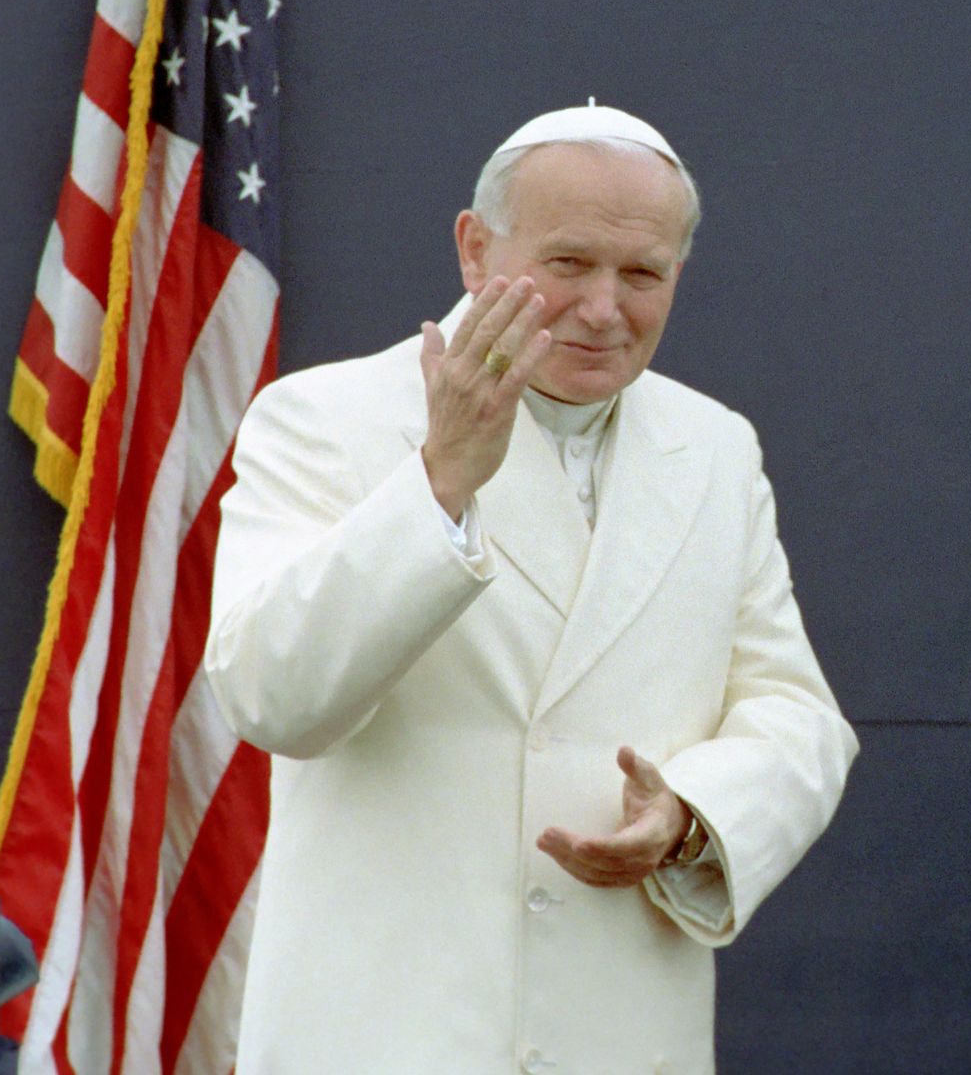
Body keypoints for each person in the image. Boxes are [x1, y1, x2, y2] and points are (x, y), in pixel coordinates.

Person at [204, 103, 858, 1073]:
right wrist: (438, 484)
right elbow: (271, 697)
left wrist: (688, 815)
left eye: (643, 274)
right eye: (568, 264)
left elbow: (797, 716)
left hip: (622, 1039)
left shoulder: (717, 448)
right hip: (383, 1038)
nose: (604, 309)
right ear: (475, 249)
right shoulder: (323, 420)